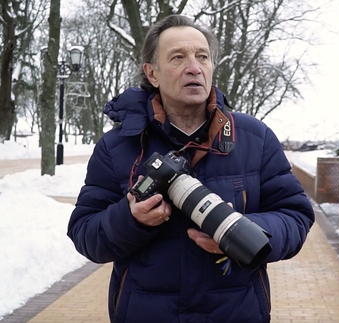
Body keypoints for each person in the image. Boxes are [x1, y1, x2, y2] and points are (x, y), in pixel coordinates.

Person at [67, 14, 314, 323]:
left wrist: (246, 233)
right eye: (178, 57)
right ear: (152, 73)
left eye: (202, 57)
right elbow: (84, 232)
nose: (194, 67)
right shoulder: (117, 147)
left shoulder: (255, 138)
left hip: (236, 313)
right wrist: (130, 219)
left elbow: (296, 216)